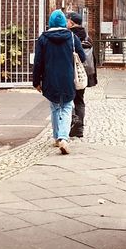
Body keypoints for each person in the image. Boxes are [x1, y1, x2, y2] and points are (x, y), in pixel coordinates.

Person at [33, 9, 86, 155]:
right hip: (68, 78)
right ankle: (63, 137)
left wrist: (36, 81)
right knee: (67, 106)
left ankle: (57, 137)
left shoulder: (43, 38)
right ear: (64, 22)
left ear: (50, 23)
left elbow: (38, 62)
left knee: (55, 107)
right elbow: (82, 56)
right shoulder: (72, 37)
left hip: (50, 79)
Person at [66, 11, 97, 138]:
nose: (66, 22)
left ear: (72, 23)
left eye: (67, 20)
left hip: (70, 72)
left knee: (67, 101)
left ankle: (73, 123)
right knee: (79, 100)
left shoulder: (69, 37)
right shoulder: (87, 37)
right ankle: (79, 129)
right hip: (83, 73)